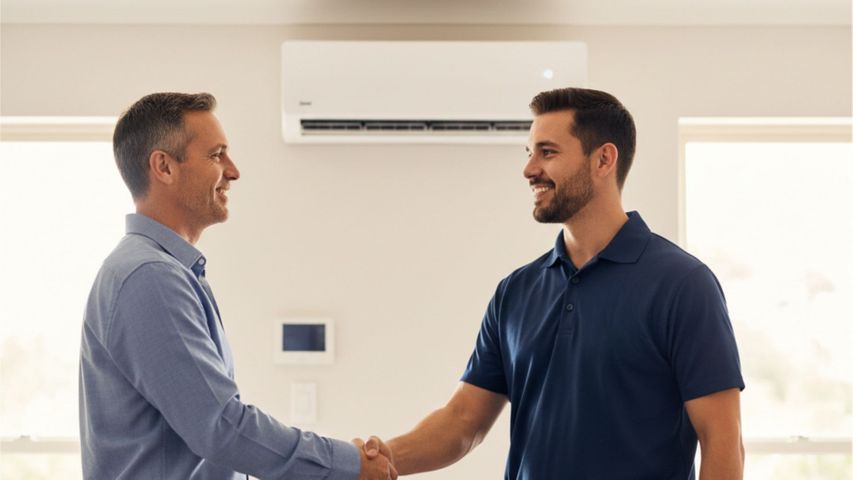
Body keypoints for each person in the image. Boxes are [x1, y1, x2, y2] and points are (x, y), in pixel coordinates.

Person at [358, 87, 745, 479]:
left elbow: (722, 441)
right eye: (530, 153)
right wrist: (381, 457)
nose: (529, 169)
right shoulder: (515, 292)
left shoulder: (683, 285)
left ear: (603, 159)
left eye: (547, 152)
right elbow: (462, 422)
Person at [79, 92, 395, 480]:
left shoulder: (160, 272)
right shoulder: (150, 277)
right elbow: (221, 427)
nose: (233, 171)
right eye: (216, 155)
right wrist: (348, 464)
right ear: (164, 166)